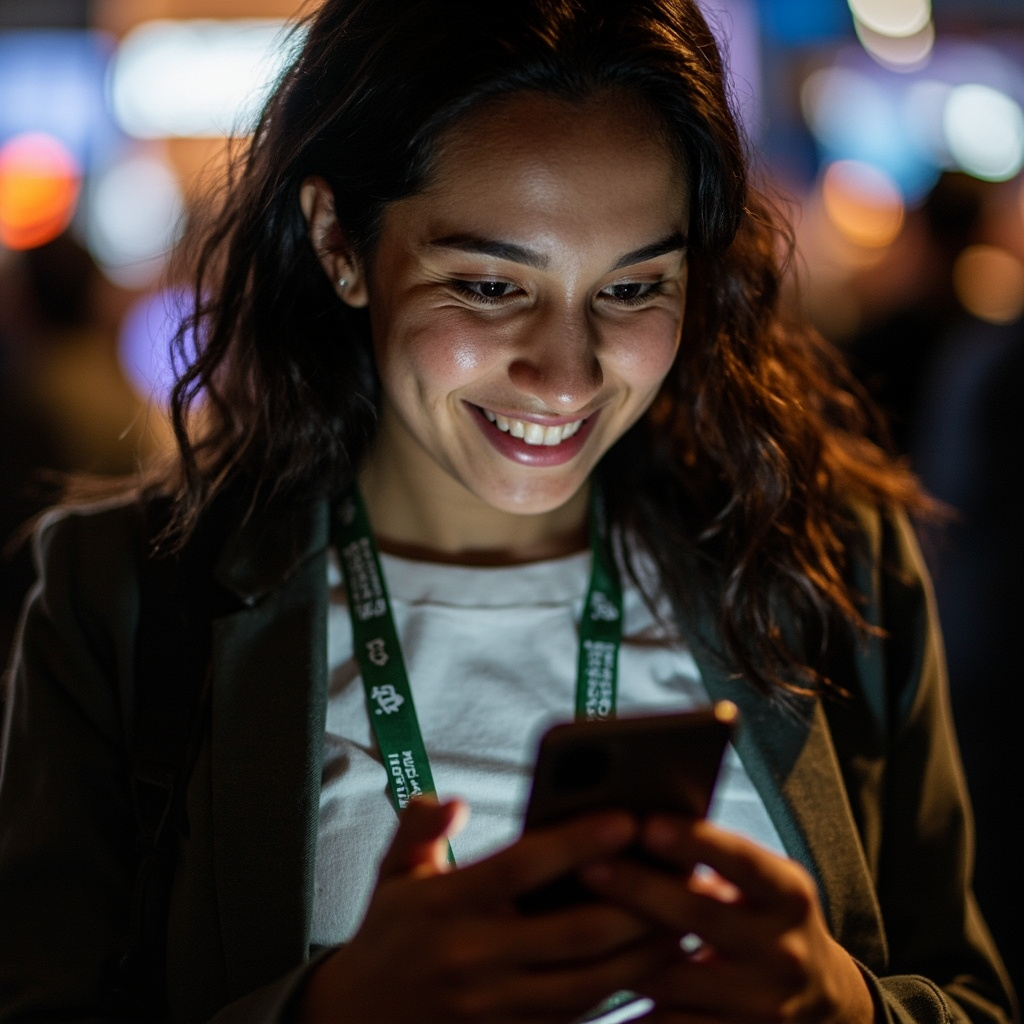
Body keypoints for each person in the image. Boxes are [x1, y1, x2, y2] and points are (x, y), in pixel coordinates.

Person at [0, 1, 1016, 1022]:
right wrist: (332, 1008)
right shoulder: (127, 594)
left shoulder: (816, 552)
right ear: (338, 242)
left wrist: (842, 1004)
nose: (566, 375)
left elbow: (971, 990)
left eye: (631, 290)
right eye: (490, 284)